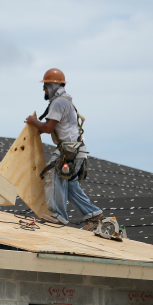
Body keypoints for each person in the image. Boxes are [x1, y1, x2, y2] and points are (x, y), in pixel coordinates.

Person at [25, 68, 103, 229]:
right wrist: (40, 126)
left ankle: (58, 216)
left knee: (53, 176)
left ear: (53, 86)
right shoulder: (64, 101)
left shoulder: (58, 102)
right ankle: (93, 214)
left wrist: (33, 121)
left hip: (68, 152)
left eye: (46, 86)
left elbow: (48, 127)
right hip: (77, 150)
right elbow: (53, 127)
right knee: (70, 185)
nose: (44, 90)